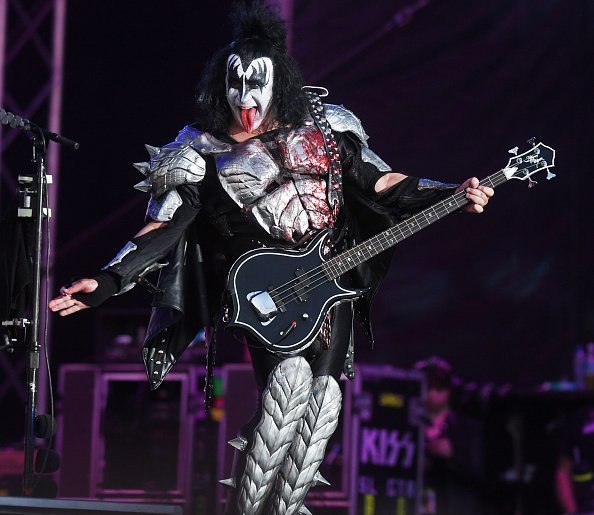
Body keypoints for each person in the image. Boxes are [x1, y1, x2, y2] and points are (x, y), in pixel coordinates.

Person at [49, 4, 494, 514]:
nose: (245, 97)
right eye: (234, 83)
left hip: (329, 283)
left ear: (278, 81)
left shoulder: (327, 127)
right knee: (289, 386)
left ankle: (282, 508)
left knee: (323, 403)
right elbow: (165, 226)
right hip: (262, 291)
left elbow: (382, 183)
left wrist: (454, 193)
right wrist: (107, 282)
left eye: (255, 82)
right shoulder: (200, 149)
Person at [414, 357, 487, 515]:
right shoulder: (409, 427)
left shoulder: (468, 429)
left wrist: (454, 456)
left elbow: (481, 475)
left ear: (449, 390)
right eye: (427, 387)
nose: (431, 393)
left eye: (438, 387)